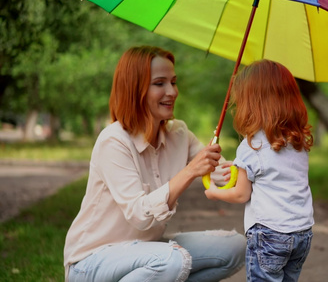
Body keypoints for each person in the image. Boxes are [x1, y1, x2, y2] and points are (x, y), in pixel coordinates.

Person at [63, 46, 246, 282]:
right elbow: (141, 215)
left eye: (173, 82)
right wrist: (190, 171)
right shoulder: (113, 141)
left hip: (149, 249)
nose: (172, 91)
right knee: (172, 260)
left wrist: (248, 159)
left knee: (234, 247)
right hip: (92, 261)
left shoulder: (179, 133)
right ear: (134, 90)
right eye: (159, 83)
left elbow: (221, 176)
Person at [204, 59, 314, 282]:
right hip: (302, 233)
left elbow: (241, 194)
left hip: (270, 235)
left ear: (250, 103)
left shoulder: (251, 145)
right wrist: (238, 166)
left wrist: (214, 192)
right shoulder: (297, 141)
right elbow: (274, 172)